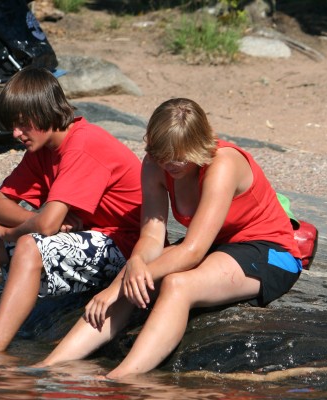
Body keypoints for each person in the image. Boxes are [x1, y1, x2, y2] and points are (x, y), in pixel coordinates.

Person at [35, 98, 303, 378]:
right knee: (134, 278)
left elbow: (192, 251)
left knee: (177, 284)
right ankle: (49, 365)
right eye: (164, 155)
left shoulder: (223, 163)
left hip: (270, 251)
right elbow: (152, 233)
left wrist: (115, 288)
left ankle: (121, 378)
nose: (172, 164)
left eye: (182, 156)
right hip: (218, 246)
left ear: (199, 145)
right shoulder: (154, 164)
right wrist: (136, 263)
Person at [0, 66, 142, 353]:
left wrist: (19, 229)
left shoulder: (81, 145)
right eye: (12, 126)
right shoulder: (42, 150)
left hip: (126, 249)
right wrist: (33, 219)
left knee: (31, 245)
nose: (17, 134)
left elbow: (47, 228)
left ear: (45, 111)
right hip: (89, 240)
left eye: (22, 124)